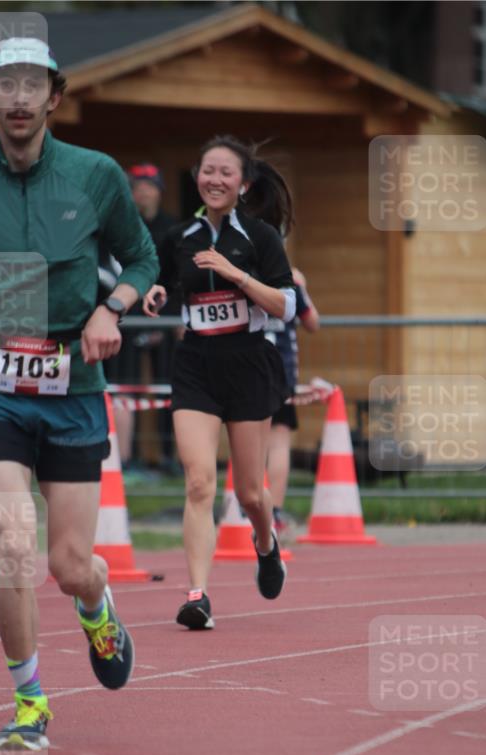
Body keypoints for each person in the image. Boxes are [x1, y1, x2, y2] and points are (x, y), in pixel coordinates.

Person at [0, 37, 159, 749]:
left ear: (53, 96)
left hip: (74, 385)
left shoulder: (95, 175)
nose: (17, 97)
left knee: (69, 565)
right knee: (13, 543)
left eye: (30, 84)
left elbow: (140, 255)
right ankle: (31, 704)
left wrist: (113, 309)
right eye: (4, 84)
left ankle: (96, 605)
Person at [144, 135, 296, 630]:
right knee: (198, 482)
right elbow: (163, 282)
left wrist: (236, 274)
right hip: (196, 364)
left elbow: (287, 306)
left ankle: (266, 543)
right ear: (197, 177)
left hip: (249, 362)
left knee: (251, 493)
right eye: (208, 171)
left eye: (226, 172)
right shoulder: (179, 236)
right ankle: (196, 595)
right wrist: (155, 293)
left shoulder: (260, 237)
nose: (215, 180)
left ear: (243, 183)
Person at [103, 163, 179, 476]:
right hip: (129, 317)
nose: (144, 191)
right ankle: (127, 458)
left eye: (150, 185)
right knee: (126, 386)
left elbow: (178, 277)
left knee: (168, 386)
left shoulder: (174, 228)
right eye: (138, 186)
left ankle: (168, 456)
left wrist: (176, 317)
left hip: (165, 317)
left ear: (160, 190)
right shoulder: (124, 227)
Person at [265, 267, 320, 536]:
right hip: (280, 369)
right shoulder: (289, 279)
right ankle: (272, 511)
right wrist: (303, 287)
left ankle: (243, 510)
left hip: (245, 366)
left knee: (247, 436)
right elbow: (312, 322)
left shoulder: (238, 272)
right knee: (278, 440)